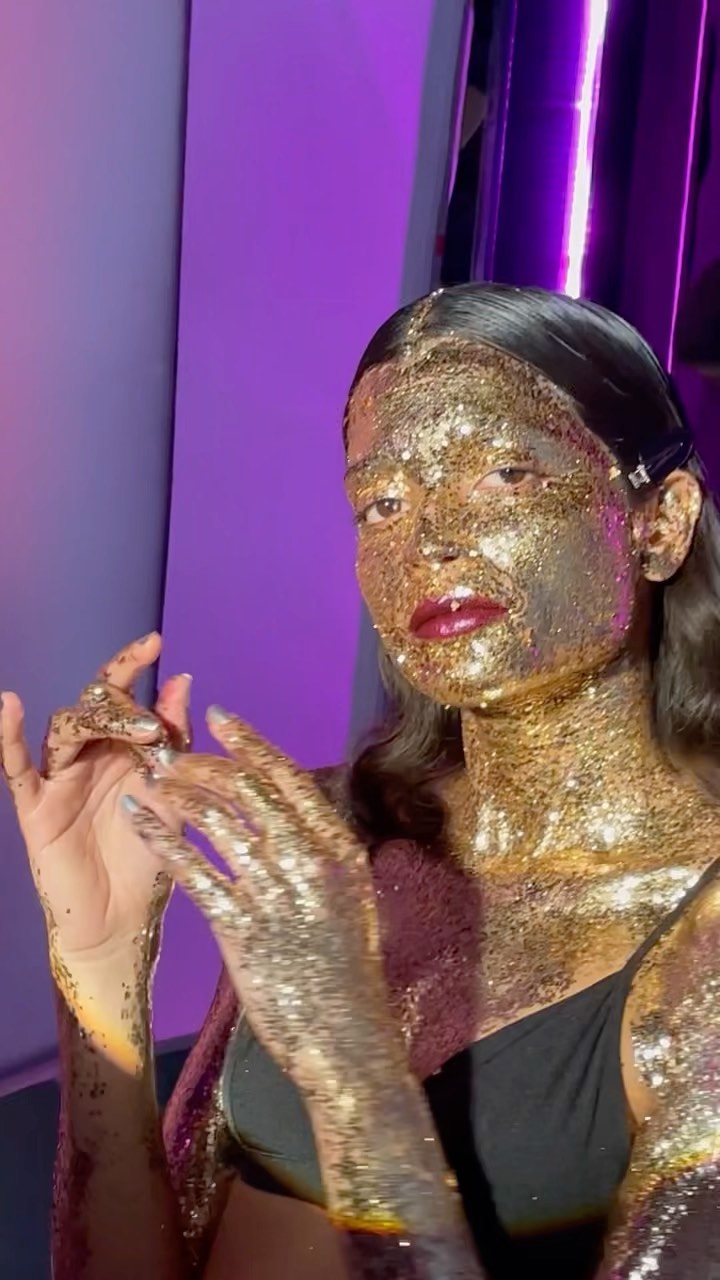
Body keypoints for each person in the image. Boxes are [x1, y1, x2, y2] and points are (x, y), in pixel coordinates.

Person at [4, 283, 720, 1280]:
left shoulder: (701, 938)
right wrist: (101, 958)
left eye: (504, 473)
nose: (428, 539)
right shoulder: (339, 837)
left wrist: (349, 1065)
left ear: (659, 522)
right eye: (382, 501)